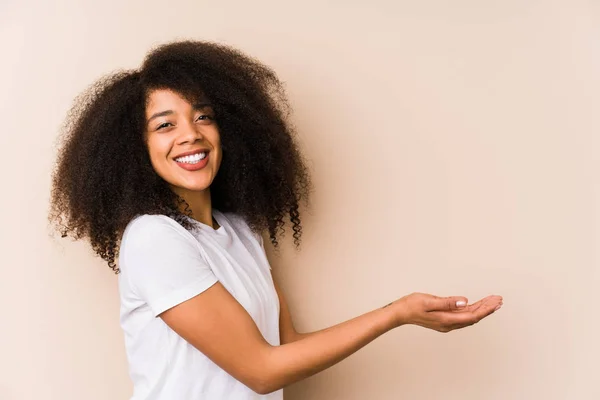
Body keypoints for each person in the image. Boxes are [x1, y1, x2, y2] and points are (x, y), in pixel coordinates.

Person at [49, 40, 503, 400]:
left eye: (203, 116)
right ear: (135, 150)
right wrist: (395, 315)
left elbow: (284, 350)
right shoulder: (154, 238)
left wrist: (403, 316)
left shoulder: (241, 232)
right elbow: (261, 372)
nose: (192, 134)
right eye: (165, 125)